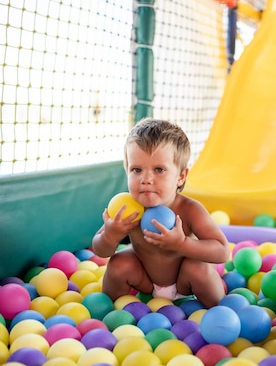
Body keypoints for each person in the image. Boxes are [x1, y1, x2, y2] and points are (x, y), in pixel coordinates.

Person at [92, 118, 230, 308]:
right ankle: (111, 313)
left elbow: (222, 251)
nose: (146, 179)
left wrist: (182, 244)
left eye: (159, 170)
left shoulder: (190, 210)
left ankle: (217, 313)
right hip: (145, 281)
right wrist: (110, 235)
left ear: (180, 177)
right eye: (136, 170)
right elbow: (100, 250)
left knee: (199, 267)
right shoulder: (126, 207)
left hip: (184, 281)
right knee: (118, 263)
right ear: (127, 170)